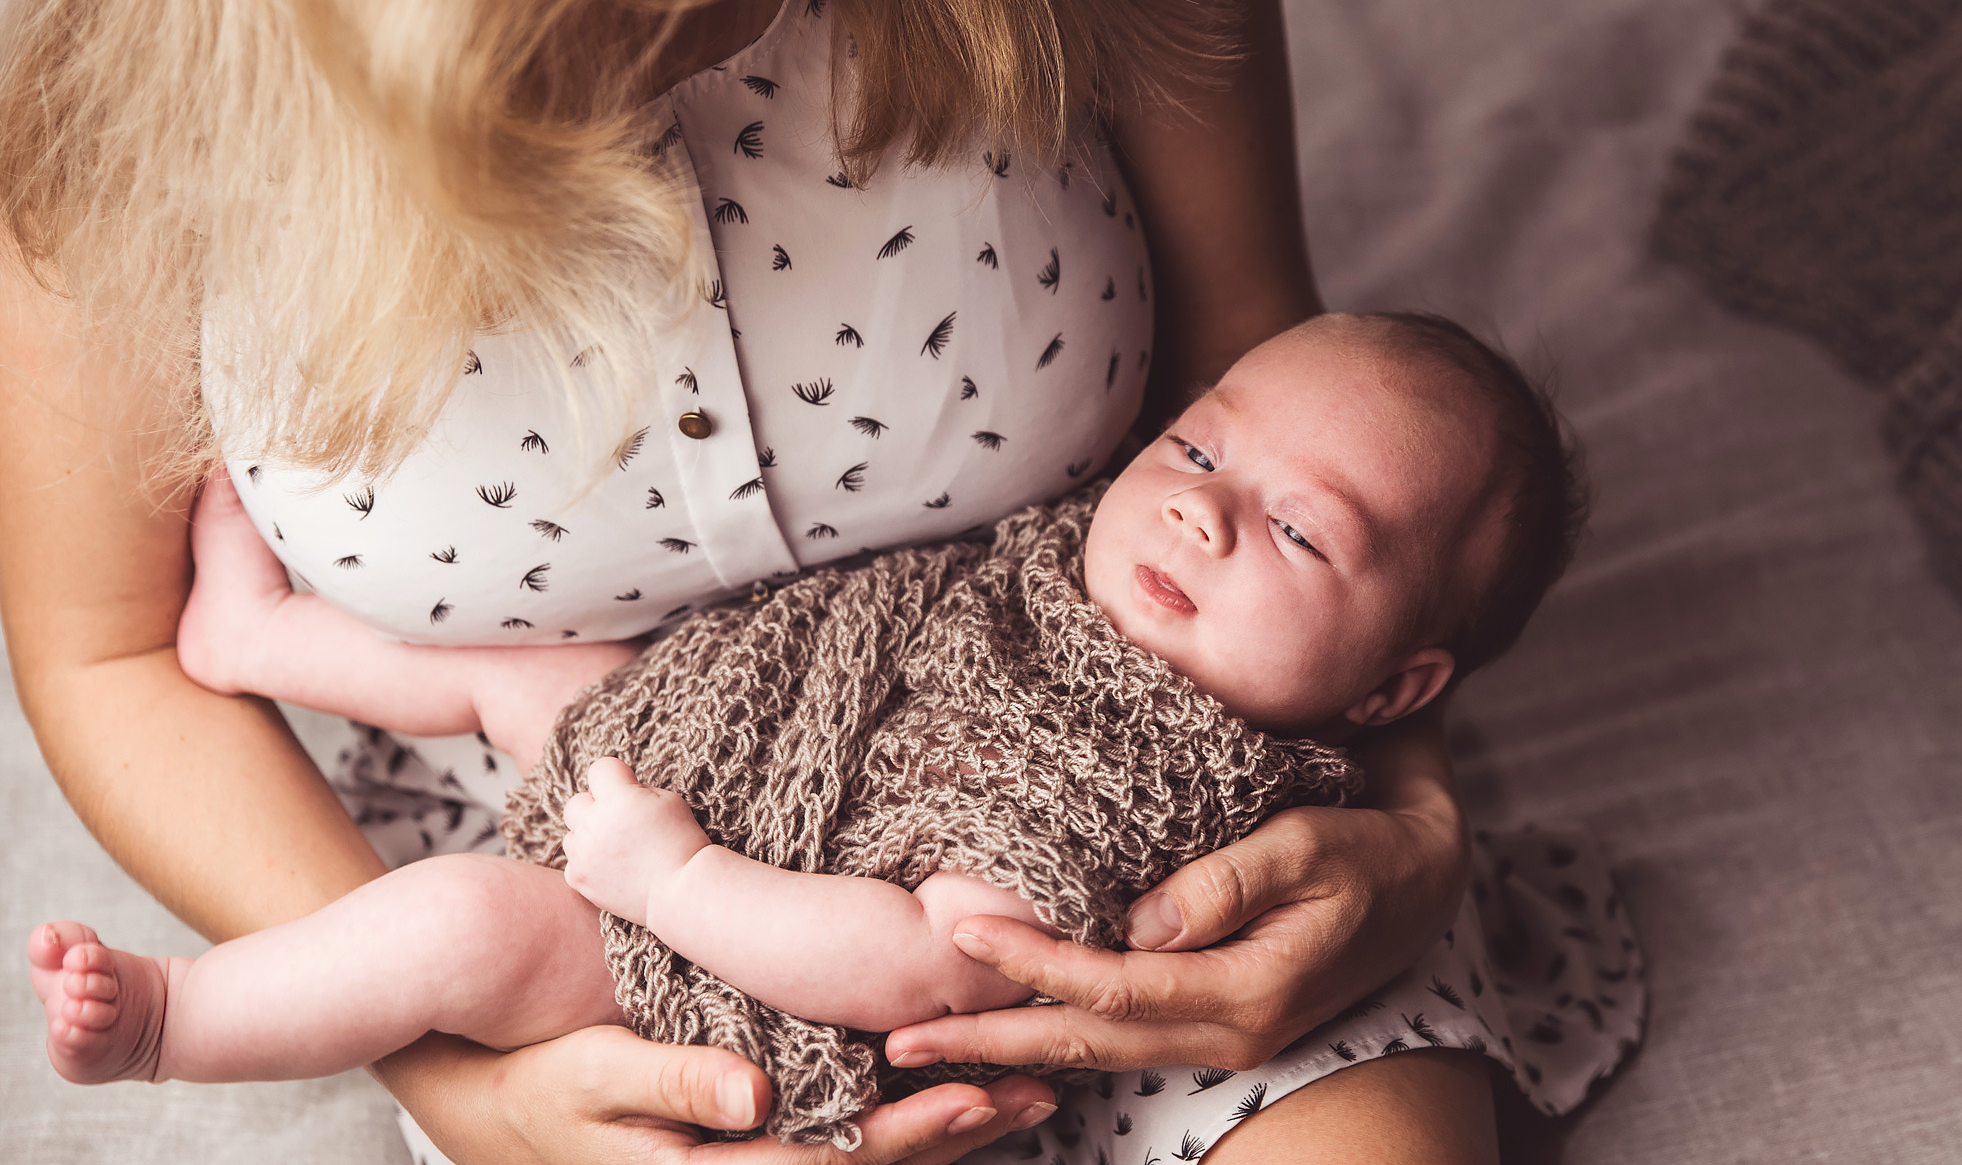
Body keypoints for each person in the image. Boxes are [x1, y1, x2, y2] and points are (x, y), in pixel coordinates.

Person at [0, 0, 1633, 1165]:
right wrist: (456, 1083)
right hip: (606, 868)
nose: (717, 15)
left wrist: (1413, 827)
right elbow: (110, 647)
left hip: (1168, 815)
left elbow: (1277, 381)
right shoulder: (134, 97)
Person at [33, 312, 1575, 1122]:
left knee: (456, 927)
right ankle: (257, 637)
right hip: (733, 745)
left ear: (1393, 692)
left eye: (1301, 533)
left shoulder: (1149, 777)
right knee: (526, 673)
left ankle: (179, 1022)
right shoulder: (1069, 566)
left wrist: (673, 882)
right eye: (1195, 448)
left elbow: (932, 963)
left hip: (732, 958)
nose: (1202, 514)